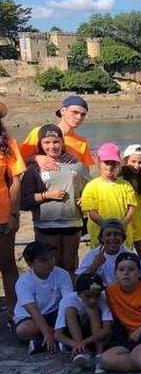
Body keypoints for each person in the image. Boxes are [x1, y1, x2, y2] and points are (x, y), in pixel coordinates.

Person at [20, 123, 87, 276]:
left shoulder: (76, 164)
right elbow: (24, 201)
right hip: (45, 225)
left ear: (63, 142)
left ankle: (69, 298)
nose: (52, 146)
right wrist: (46, 195)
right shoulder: (34, 168)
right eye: (47, 142)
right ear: (40, 144)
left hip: (73, 223)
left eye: (56, 141)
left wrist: (84, 198)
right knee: (50, 267)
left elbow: (88, 188)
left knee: (70, 266)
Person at [13, 241, 73, 354]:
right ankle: (60, 339)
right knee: (24, 330)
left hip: (55, 313)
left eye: (51, 258)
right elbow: (32, 309)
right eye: (43, 261)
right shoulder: (23, 281)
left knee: (73, 317)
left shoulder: (62, 274)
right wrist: (46, 332)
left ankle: (42, 343)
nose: (49, 263)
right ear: (30, 263)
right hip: (30, 317)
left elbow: (68, 301)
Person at [80, 143, 137, 248]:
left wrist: (122, 225)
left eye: (113, 163)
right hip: (100, 236)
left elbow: (131, 209)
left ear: (118, 164)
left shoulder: (126, 185)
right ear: (99, 162)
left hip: (123, 236)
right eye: (106, 162)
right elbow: (91, 212)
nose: (110, 166)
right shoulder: (91, 186)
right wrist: (107, 226)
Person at [54, 273, 113, 373]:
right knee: (70, 311)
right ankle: (82, 352)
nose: (93, 300)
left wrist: (83, 343)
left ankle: (99, 355)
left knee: (92, 311)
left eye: (96, 296)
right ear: (78, 293)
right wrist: (76, 344)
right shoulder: (68, 300)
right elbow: (58, 334)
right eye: (88, 296)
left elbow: (107, 328)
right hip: (73, 339)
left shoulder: (102, 299)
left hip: (93, 338)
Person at [20, 95, 93, 169]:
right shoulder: (39, 132)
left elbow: (85, 171)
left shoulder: (82, 142)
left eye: (83, 114)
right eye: (75, 112)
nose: (79, 117)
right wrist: (36, 158)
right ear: (63, 111)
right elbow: (18, 161)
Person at [0, 102, 24, 324]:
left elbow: (15, 180)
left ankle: (14, 310)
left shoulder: (7, 144)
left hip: (3, 214)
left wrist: (15, 213)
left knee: (7, 263)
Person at [75, 219, 133, 286]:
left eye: (116, 234)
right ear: (102, 238)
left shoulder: (129, 255)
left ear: (122, 237)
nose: (112, 238)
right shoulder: (93, 254)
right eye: (108, 234)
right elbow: (77, 282)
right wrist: (95, 265)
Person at [119, 144, 141, 256]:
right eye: (133, 161)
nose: (137, 165)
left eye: (140, 162)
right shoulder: (119, 180)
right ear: (125, 161)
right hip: (126, 224)